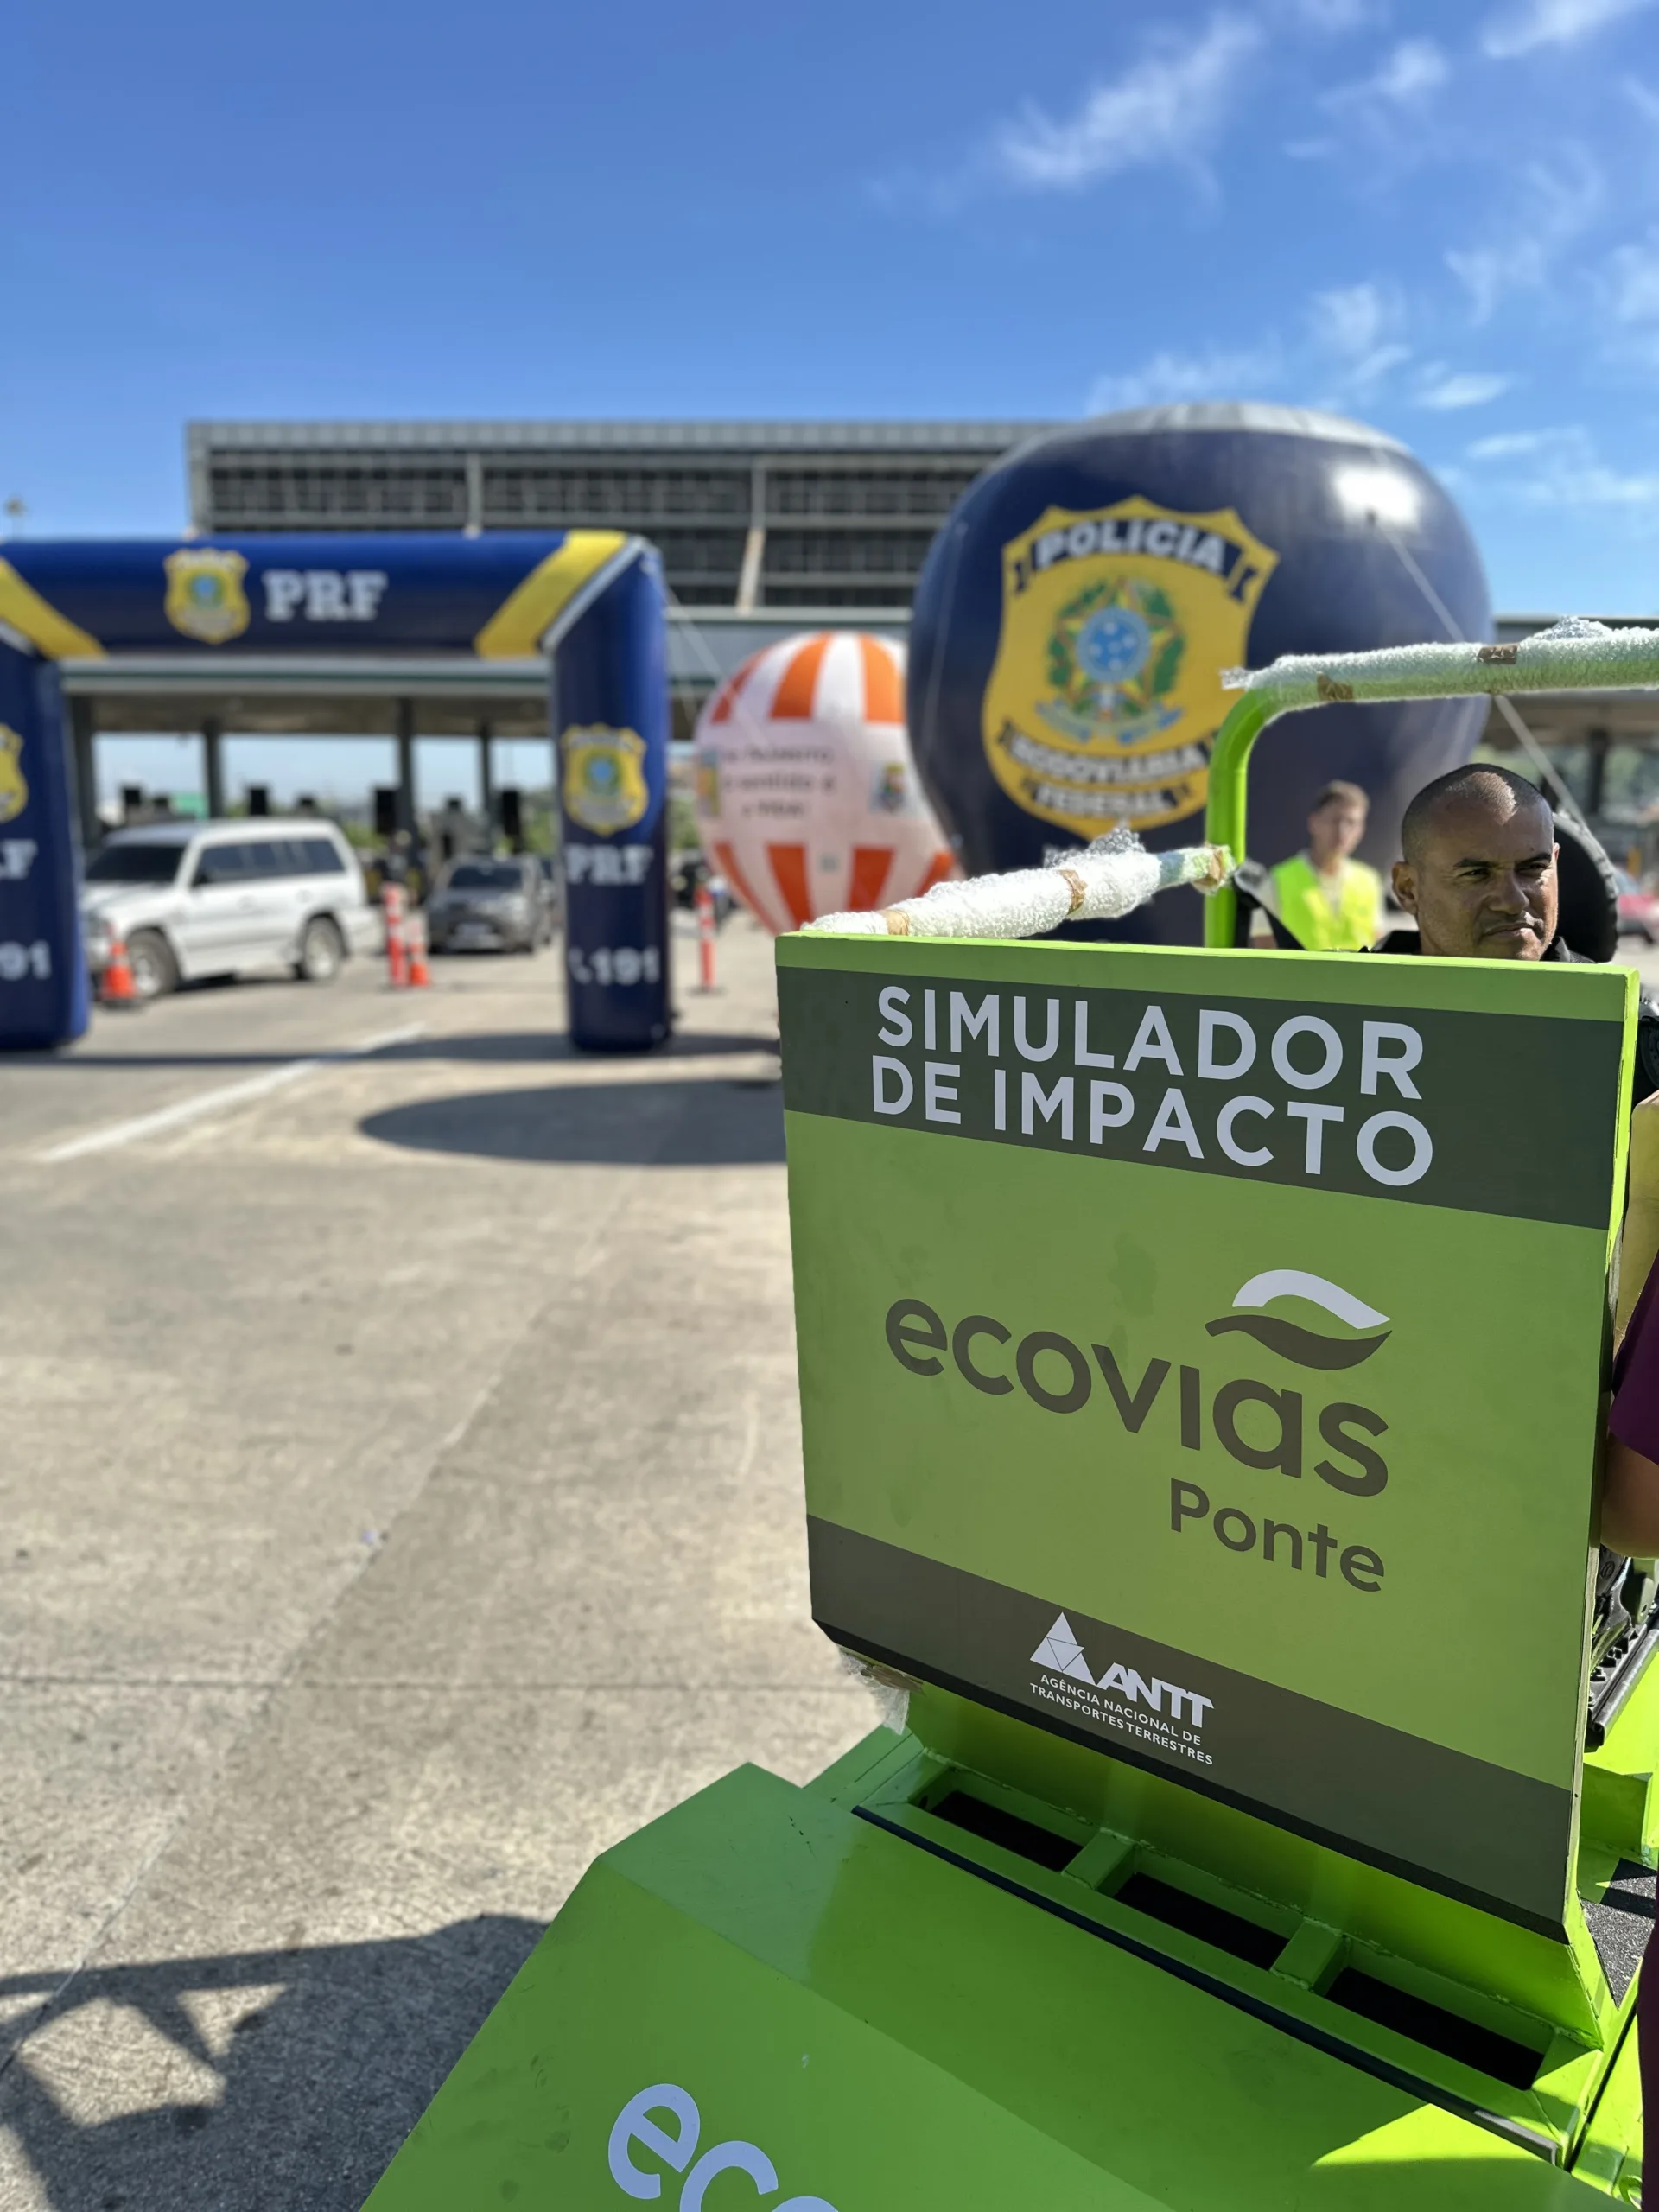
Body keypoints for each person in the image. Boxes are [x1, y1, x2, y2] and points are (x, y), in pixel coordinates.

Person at [1385, 764, 1561, 960]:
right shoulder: (1360, 980)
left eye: (1534, 868)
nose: (1514, 902)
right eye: (1476, 874)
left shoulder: (1590, 980)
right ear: (1408, 889)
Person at [1271, 781, 1383, 952]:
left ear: (1361, 830)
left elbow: (1378, 942)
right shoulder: (1277, 880)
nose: (1342, 831)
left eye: (1351, 823)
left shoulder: (1369, 881)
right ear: (1314, 823)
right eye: (1335, 821)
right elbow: (1265, 952)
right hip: (1301, 971)